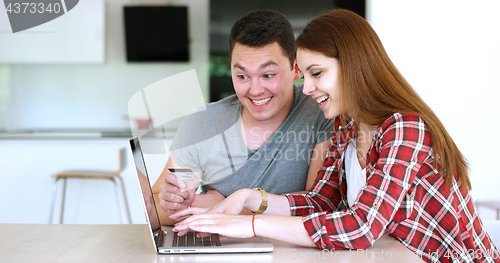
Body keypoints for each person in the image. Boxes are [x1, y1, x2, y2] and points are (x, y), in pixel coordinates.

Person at [171, 9, 500, 263]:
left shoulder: (404, 128)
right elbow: (321, 202)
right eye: (306, 74)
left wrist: (250, 225)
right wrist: (247, 198)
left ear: (354, 66)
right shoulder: (348, 128)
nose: (307, 87)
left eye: (317, 73)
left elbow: (361, 227)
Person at [152, 10, 335, 225]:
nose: (255, 90)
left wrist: (219, 208)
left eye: (268, 75)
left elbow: (317, 206)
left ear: (296, 68)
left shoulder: (320, 112)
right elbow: (157, 206)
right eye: (242, 76)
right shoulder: (202, 124)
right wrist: (175, 202)